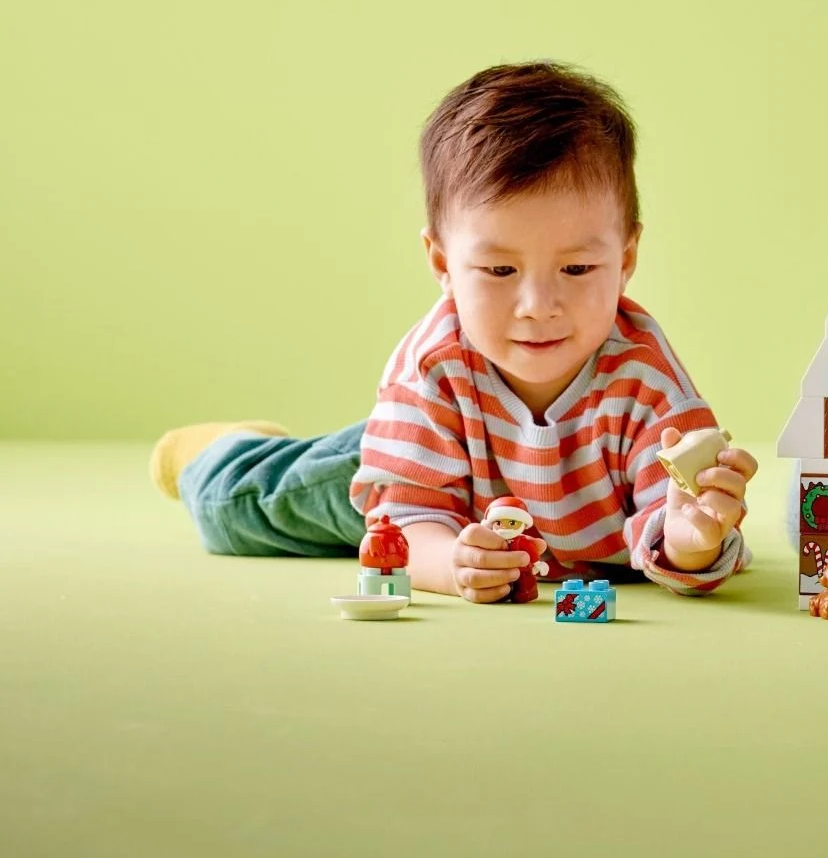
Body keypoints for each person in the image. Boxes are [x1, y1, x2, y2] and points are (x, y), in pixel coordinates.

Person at [151, 62, 757, 600]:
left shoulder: (649, 384)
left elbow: (674, 526)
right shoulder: (434, 367)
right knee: (242, 506)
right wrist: (448, 563)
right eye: (499, 270)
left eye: (577, 268)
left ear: (625, 259)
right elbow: (407, 520)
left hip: (557, 507)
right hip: (429, 468)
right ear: (443, 265)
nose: (538, 305)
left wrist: (691, 541)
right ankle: (216, 450)